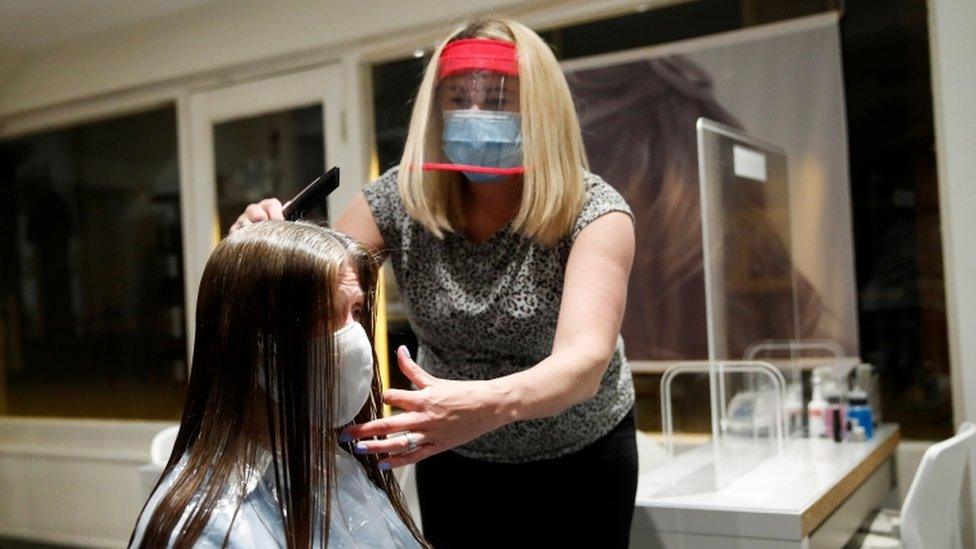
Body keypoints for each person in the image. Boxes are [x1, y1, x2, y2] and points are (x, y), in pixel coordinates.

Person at [233, 18, 637, 548]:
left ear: (541, 110)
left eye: (498, 98)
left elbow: (583, 364)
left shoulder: (596, 213)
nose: (474, 114)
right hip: (451, 451)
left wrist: (484, 408)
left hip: (582, 456)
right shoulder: (397, 202)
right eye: (457, 97)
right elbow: (318, 290)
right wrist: (263, 248)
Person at [129, 221, 426, 548]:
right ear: (255, 342)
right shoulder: (210, 527)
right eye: (321, 315)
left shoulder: (341, 468)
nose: (354, 340)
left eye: (355, 311)